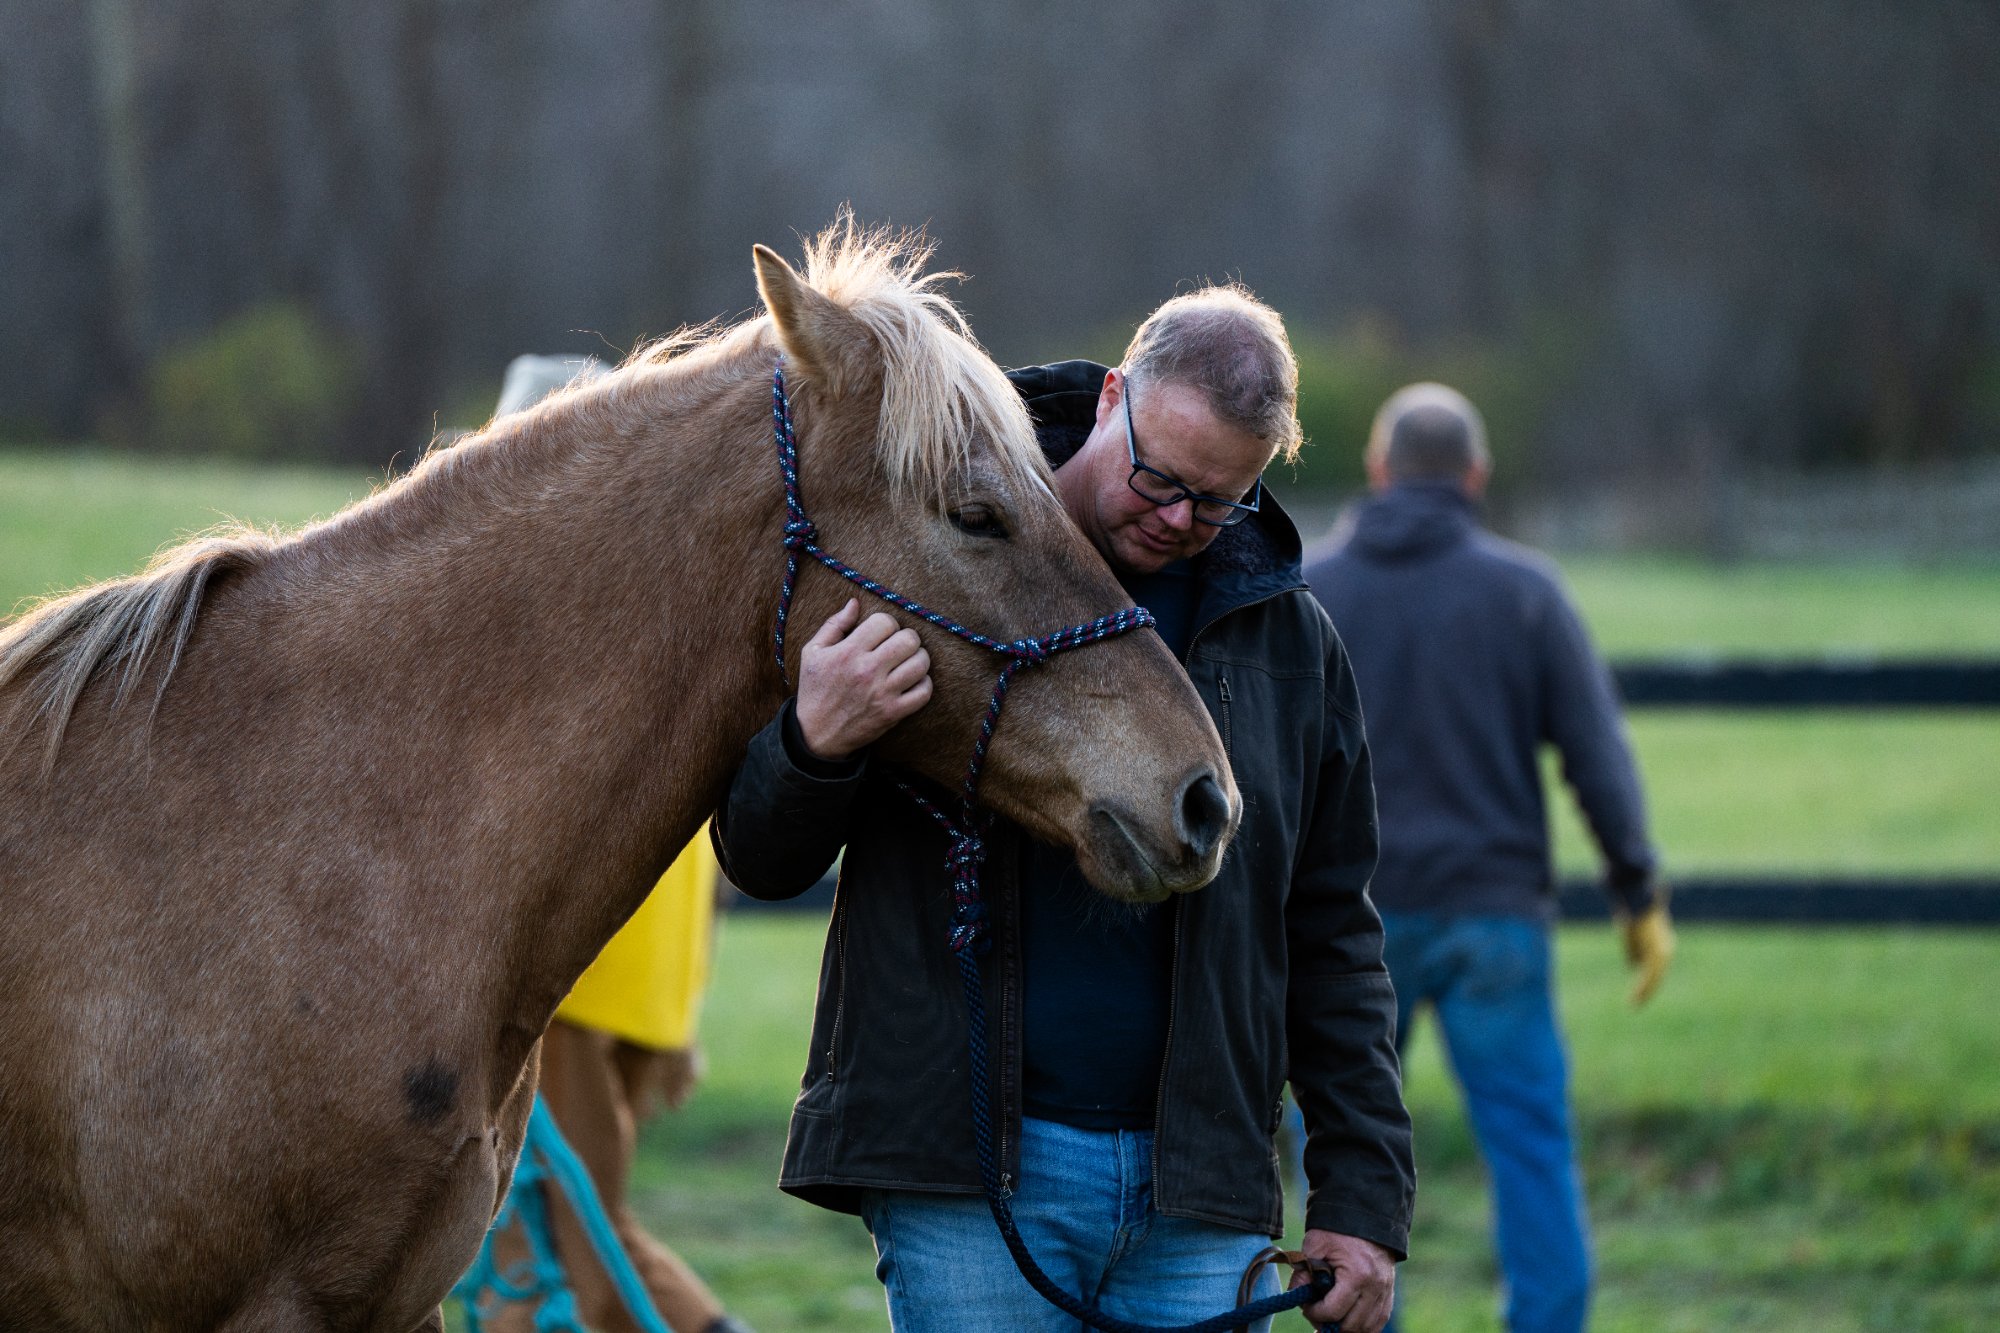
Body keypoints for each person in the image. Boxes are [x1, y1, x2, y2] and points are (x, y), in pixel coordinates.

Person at [712, 287, 1414, 1333]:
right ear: (1111, 398)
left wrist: (1361, 1198)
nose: (1176, 518)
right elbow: (758, 859)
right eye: (1159, 477)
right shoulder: (931, 557)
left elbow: (1330, 936)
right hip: (969, 1181)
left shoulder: (1289, 646)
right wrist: (815, 741)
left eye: (1215, 501)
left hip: (1202, 1188)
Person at [1304, 383, 1676, 1333]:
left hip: (1351, 931)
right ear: (1476, 476)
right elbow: (1599, 759)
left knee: (1337, 1162)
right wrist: (1636, 889)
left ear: (1380, 470)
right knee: (1530, 1150)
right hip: (1494, 917)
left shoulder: (1316, 589)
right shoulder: (1526, 593)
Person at [489, 356, 753, 1333]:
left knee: (556, 1235)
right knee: (557, 1224)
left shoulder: (571, 609)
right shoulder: (665, 590)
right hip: (632, 974)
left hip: (575, 977)